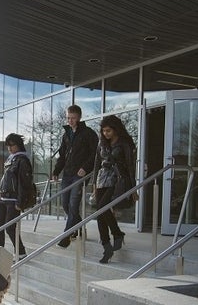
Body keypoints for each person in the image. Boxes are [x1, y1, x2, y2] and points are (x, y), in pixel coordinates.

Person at [52, 105, 99, 248]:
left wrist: (85, 168)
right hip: (67, 174)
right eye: (68, 118)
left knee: (73, 204)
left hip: (80, 175)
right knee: (65, 204)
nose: (70, 120)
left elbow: (96, 154)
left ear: (79, 117)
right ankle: (78, 227)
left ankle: (67, 235)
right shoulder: (66, 135)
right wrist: (55, 171)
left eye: (72, 118)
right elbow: (62, 156)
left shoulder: (88, 133)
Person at [92, 115, 136, 263]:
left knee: (102, 208)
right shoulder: (101, 143)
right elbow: (96, 165)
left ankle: (117, 234)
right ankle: (107, 245)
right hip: (101, 179)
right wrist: (94, 186)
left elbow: (130, 166)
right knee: (99, 212)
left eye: (109, 130)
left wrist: (133, 188)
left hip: (117, 180)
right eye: (104, 131)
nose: (106, 134)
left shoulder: (124, 143)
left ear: (116, 129)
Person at [0, 133, 33, 259]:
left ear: (18, 145)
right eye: (8, 145)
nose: (10, 148)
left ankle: (21, 252)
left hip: (13, 200)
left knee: (10, 228)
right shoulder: (10, 159)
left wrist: (20, 202)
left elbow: (25, 183)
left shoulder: (23, 160)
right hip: (2, 198)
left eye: (12, 145)